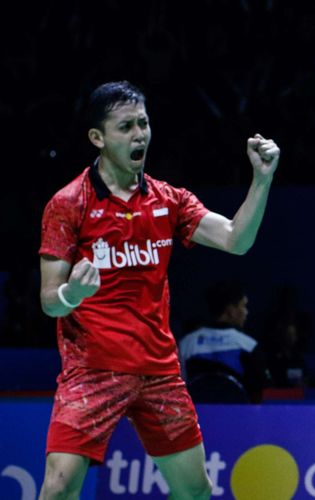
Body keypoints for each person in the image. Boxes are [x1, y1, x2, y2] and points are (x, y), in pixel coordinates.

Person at [38, 80, 279, 499]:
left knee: (196, 491)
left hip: (158, 372)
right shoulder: (69, 203)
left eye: (144, 124)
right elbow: (49, 301)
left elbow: (236, 240)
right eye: (126, 127)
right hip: (91, 371)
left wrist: (261, 180)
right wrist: (71, 296)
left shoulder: (169, 201)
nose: (139, 135)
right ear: (98, 138)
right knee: (58, 489)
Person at [179, 280, 270, 403]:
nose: (246, 312)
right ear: (230, 310)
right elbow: (259, 394)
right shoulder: (248, 345)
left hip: (196, 416)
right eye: (243, 306)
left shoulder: (187, 344)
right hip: (239, 417)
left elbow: (179, 387)